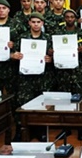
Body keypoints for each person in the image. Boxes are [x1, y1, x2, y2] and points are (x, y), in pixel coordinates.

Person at [11, 12, 53, 141]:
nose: (36, 24)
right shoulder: (22, 38)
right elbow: (12, 53)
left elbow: (53, 55)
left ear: (42, 23)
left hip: (42, 77)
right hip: (25, 78)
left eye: (38, 22)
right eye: (33, 22)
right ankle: (21, 131)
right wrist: (14, 55)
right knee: (24, 104)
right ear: (29, 23)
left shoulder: (48, 38)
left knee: (41, 104)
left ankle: (40, 131)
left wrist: (50, 59)